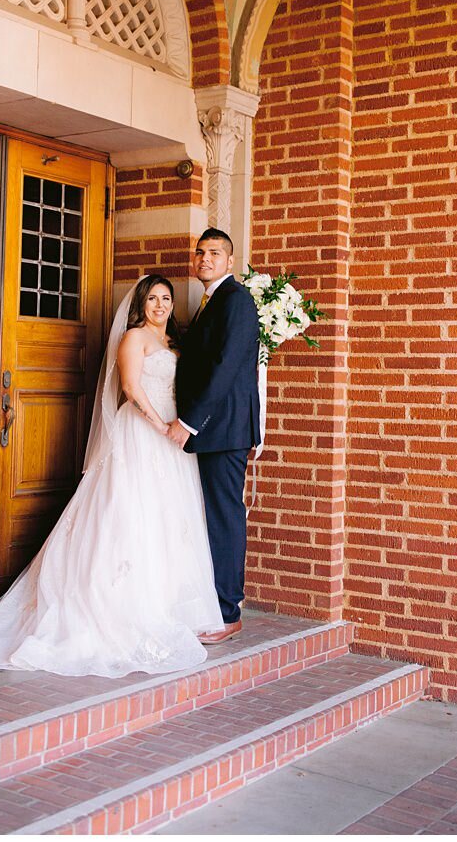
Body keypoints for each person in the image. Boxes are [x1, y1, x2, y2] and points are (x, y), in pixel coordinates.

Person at [0, 275, 223, 676]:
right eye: (152, 298)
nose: (160, 305)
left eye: (166, 298)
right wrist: (160, 426)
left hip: (172, 440)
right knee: (126, 516)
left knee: (168, 521)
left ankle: (163, 604)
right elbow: (132, 388)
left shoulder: (174, 343)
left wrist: (181, 426)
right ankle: (112, 606)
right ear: (141, 303)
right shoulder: (134, 338)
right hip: (143, 433)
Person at [168, 228, 261, 644]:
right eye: (200, 252)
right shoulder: (211, 303)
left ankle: (228, 611)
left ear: (229, 261)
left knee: (224, 517)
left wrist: (189, 421)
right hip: (214, 430)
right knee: (209, 515)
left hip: (223, 430)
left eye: (215, 253)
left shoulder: (237, 301)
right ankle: (211, 602)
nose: (205, 258)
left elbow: (224, 368)